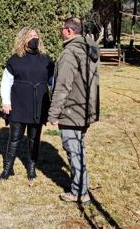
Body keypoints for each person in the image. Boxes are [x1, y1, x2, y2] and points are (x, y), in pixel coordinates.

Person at [48, 17, 100, 203]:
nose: (61, 31)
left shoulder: (71, 52)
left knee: (74, 151)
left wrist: (54, 113)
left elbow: (62, 85)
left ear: (69, 31)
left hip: (72, 111)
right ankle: (82, 186)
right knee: (79, 149)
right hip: (85, 110)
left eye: (62, 28)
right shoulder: (89, 49)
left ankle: (79, 192)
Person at [0, 27, 54, 181]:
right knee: (15, 138)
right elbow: (6, 82)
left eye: (36, 35)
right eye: (30, 35)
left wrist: (56, 100)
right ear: (23, 39)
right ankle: (8, 169)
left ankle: (31, 168)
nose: (34, 37)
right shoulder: (15, 59)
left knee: (34, 139)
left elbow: (53, 81)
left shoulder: (46, 60)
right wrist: (6, 102)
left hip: (38, 104)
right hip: (19, 104)